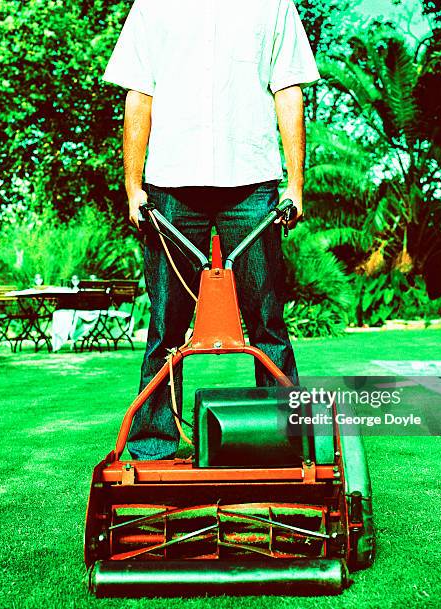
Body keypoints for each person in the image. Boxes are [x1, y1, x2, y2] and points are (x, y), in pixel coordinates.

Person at [103, 0, 320, 460]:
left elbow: (288, 90)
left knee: (267, 324)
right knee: (165, 327)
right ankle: (151, 449)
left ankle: (286, 445)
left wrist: (295, 184)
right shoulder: (152, 7)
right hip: (170, 187)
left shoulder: (274, 5)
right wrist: (133, 186)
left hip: (252, 185)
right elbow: (139, 95)